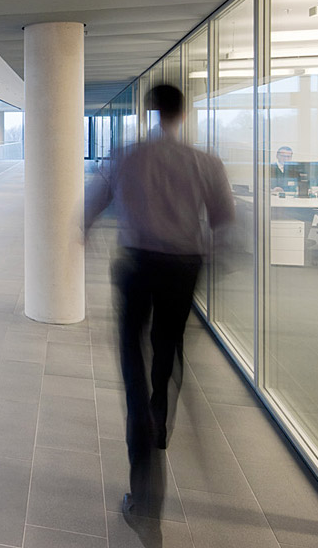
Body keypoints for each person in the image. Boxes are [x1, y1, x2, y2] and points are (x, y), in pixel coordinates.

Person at [85, 84, 234, 522]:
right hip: (183, 268)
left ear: (148, 113)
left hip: (137, 267)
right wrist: (211, 257)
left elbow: (93, 205)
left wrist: (85, 233)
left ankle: (143, 484)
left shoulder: (126, 156)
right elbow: (225, 222)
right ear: (182, 114)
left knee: (134, 360)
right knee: (168, 346)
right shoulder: (205, 163)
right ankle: (161, 416)